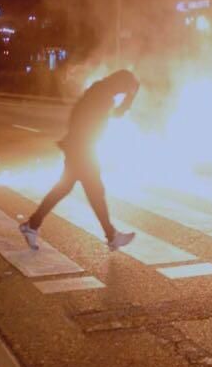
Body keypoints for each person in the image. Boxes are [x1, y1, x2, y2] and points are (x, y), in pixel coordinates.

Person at [20, 70, 139, 252]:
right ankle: (112, 236)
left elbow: (95, 115)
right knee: (93, 191)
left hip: (79, 147)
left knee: (69, 189)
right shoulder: (103, 94)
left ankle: (33, 225)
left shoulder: (100, 90)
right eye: (124, 88)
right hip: (82, 149)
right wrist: (130, 97)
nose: (122, 92)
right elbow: (113, 115)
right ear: (120, 84)